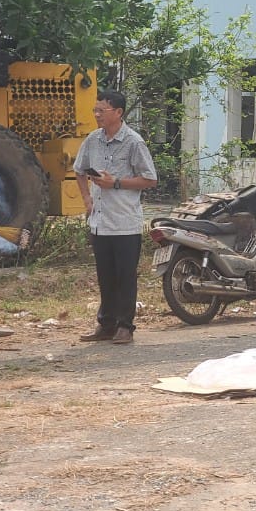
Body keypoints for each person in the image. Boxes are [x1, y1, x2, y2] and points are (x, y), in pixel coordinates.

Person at [74, 90, 158, 346]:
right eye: (95, 110)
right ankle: (106, 324)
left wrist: (116, 183)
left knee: (125, 277)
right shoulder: (93, 140)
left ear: (118, 112)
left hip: (124, 223)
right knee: (105, 277)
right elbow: (79, 170)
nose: (97, 115)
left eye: (102, 110)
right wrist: (87, 199)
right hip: (100, 222)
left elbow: (150, 179)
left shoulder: (134, 142)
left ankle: (125, 326)